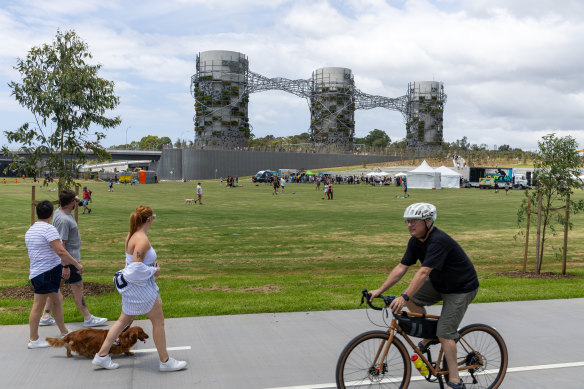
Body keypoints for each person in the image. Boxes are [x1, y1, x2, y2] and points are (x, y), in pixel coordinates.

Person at [369, 203, 479, 389]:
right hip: (440, 283)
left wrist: (403, 296)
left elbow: (423, 272)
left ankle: (455, 380)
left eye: (414, 221)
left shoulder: (438, 241)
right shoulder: (415, 241)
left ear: (428, 222)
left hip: (461, 288)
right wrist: (380, 290)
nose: (410, 225)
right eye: (408, 221)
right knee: (414, 299)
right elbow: (402, 267)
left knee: (445, 333)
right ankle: (432, 336)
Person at [92, 206, 187, 371]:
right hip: (141, 289)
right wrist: (154, 270)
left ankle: (101, 355)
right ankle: (165, 361)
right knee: (158, 322)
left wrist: (149, 270)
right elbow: (136, 268)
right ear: (149, 219)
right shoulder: (142, 240)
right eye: (153, 218)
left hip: (133, 289)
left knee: (123, 321)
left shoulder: (131, 235)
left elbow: (133, 265)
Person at [40, 190, 107, 328]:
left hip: (63, 260)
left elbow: (75, 201)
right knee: (77, 287)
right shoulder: (64, 220)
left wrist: (76, 199)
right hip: (69, 260)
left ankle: (46, 316)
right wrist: (66, 265)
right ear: (71, 202)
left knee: (55, 288)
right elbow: (62, 243)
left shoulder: (59, 212)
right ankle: (88, 318)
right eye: (75, 200)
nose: (77, 201)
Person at [25, 200, 85, 348]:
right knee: (38, 305)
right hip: (47, 272)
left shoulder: (31, 229)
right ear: (51, 214)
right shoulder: (49, 229)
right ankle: (33, 339)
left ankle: (64, 331)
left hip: (37, 272)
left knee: (57, 298)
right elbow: (60, 251)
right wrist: (76, 264)